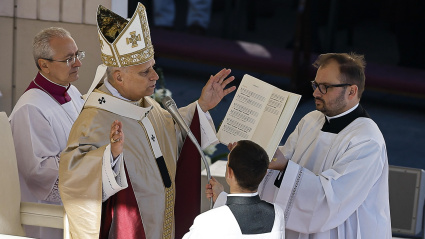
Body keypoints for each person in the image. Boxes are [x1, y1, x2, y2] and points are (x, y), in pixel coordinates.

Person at [59, 3, 235, 239]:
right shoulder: (95, 118)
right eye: (145, 72)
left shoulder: (147, 104)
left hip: (163, 220)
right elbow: (73, 179)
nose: (154, 76)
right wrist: (109, 157)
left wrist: (201, 105)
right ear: (119, 77)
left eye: (153, 67)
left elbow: (171, 134)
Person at [208, 53, 392, 238]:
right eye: (315, 84)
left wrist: (285, 166)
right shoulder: (311, 120)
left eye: (325, 87)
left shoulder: (367, 141)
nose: (315, 93)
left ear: (352, 91)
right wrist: (255, 156)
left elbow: (330, 203)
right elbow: (279, 168)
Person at [8, 27, 85, 239]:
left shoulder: (71, 90)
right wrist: (89, 156)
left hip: (75, 209)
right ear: (44, 65)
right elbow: (40, 173)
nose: (78, 63)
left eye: (78, 55)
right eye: (69, 58)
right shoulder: (31, 108)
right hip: (47, 217)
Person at [184, 140, 285, 239]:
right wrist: (221, 197)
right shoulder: (277, 213)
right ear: (264, 174)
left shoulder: (207, 221)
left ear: (229, 172)